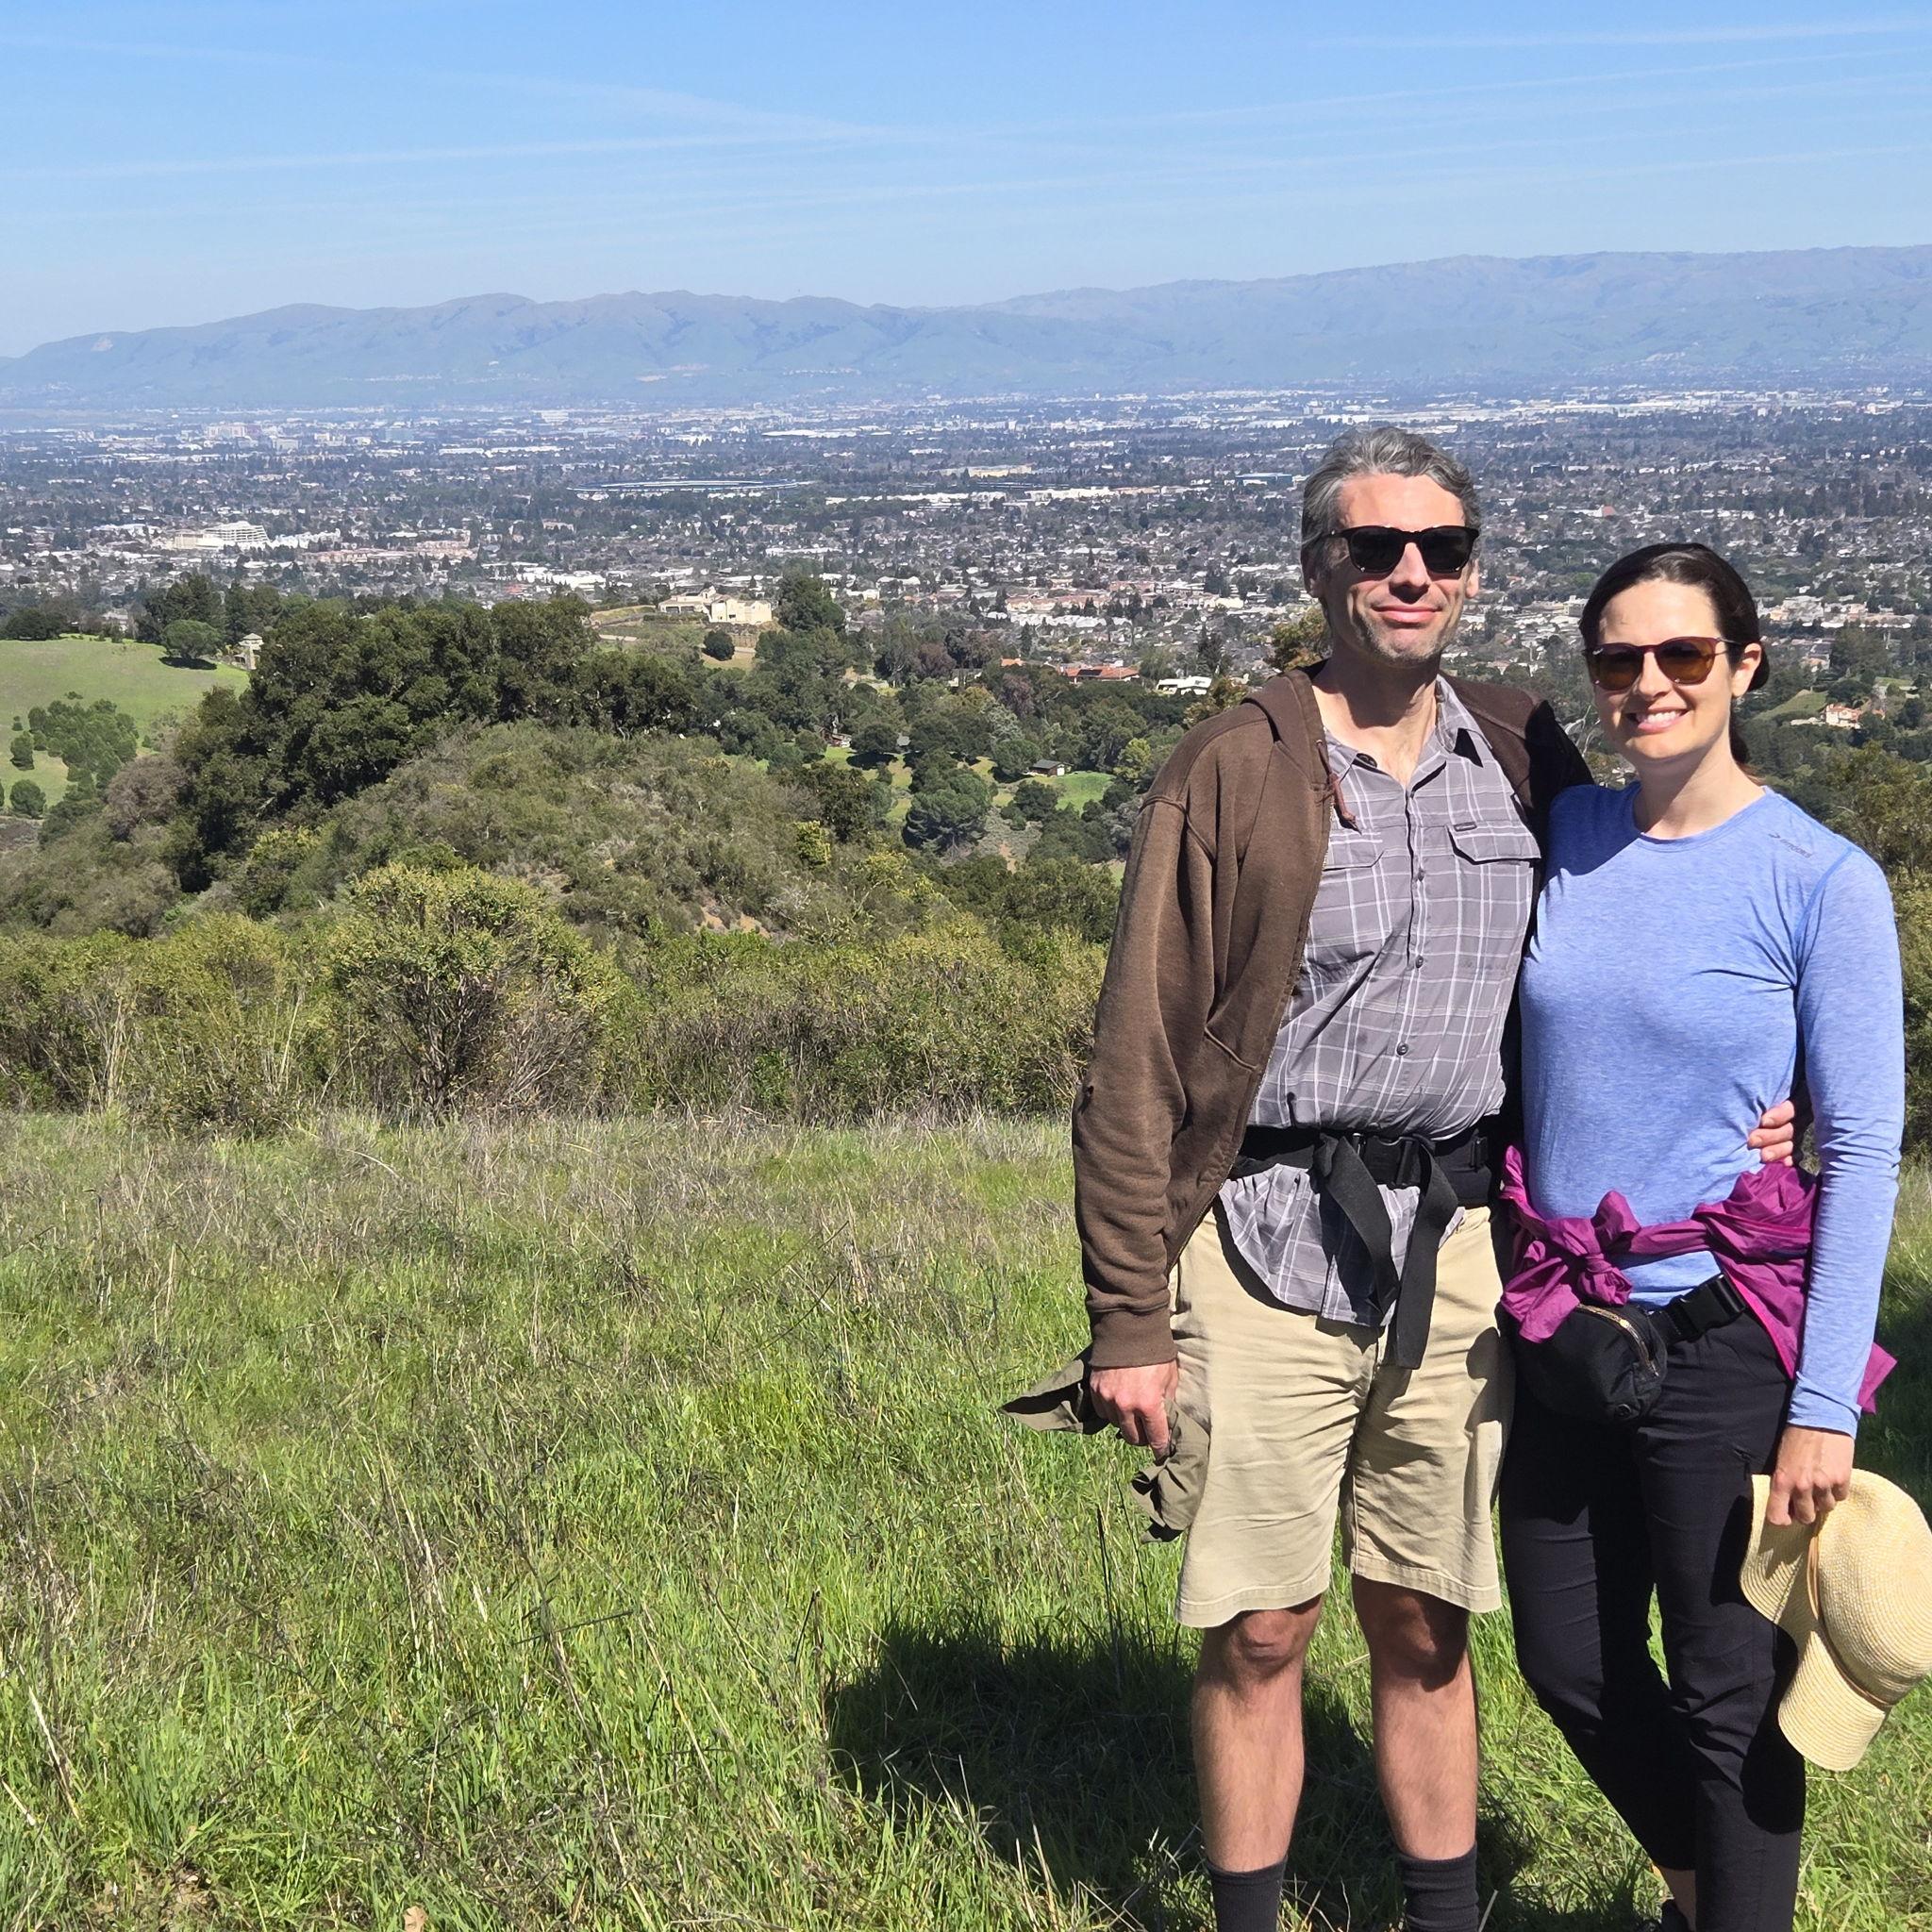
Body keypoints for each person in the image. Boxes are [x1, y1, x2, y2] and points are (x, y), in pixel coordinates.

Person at [1069, 434, 1795, 1932]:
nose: (1412, 574)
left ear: (1470, 570)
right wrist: (1128, 1316)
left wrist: (1761, 1097)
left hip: (1463, 1252)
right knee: (1261, 1629)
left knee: (1426, 1620)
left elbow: (1641, 928)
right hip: (1263, 1237)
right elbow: (1135, 1054)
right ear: (1318, 569)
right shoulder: (1233, 768)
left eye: (1443, 549)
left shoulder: (1524, 750)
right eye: (1377, 549)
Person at [1499, 541, 1904, 1932]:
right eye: (1619, 658)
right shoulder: (1568, 835)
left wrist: (1822, 1408)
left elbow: (1861, 1149)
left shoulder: (1820, 880)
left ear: (1745, 664)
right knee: (1568, 1657)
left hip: (1726, 1333)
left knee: (1729, 1692)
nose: (1650, 683)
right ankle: (1700, 1892)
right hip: (1566, 1314)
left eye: (1683, 654)